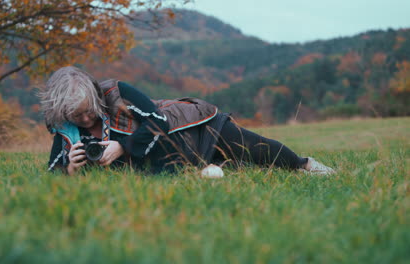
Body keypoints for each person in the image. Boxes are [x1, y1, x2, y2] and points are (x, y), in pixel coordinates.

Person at [40, 66, 335, 176]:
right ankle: (213, 168)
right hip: (171, 153)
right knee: (220, 168)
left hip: (195, 126)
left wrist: (123, 147)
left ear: (94, 95)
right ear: (62, 112)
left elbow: (158, 122)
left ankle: (306, 164)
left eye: (89, 110)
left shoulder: (117, 92)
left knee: (255, 149)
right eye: (76, 115)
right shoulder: (66, 129)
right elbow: (54, 169)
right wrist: (70, 169)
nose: (86, 118)